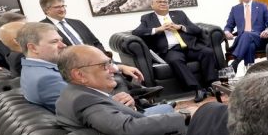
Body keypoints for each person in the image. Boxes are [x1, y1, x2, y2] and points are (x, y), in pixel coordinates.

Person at [19, 22, 173, 114]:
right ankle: (143, 102)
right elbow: (92, 111)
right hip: (115, 123)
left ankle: (142, 100)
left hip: (109, 110)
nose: (63, 45)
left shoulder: (36, 70)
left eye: (61, 40)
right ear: (33, 47)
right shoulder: (46, 79)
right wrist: (129, 107)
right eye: (54, 42)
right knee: (172, 112)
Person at [55, 45, 187, 135]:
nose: (113, 69)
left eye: (110, 63)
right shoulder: (84, 100)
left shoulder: (75, 92)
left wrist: (118, 104)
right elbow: (129, 130)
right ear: (80, 75)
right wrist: (183, 116)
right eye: (104, 65)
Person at [132, 0, 219, 102]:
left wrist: (180, 27)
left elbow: (196, 29)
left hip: (189, 46)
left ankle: (211, 84)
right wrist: (158, 29)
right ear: (152, 5)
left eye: (165, 2)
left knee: (207, 52)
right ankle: (198, 89)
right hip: (171, 50)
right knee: (175, 60)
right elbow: (136, 32)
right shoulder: (147, 18)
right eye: (159, 2)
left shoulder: (179, 14)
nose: (163, 4)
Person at [223, 0, 268, 71]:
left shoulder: (262, 6)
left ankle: (235, 63)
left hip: (260, 38)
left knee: (247, 34)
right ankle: (250, 73)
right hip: (243, 40)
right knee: (250, 45)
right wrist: (227, 32)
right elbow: (228, 26)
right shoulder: (235, 9)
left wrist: (267, 30)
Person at [38, 0, 107, 52]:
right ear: (46, 10)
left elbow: (96, 43)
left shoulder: (77, 23)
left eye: (63, 6)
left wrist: (104, 56)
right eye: (57, 7)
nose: (62, 9)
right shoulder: (42, 28)